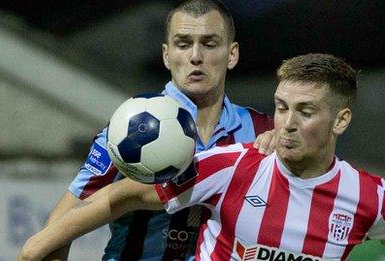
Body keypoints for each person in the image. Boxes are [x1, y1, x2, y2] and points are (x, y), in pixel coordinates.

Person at [19, 53, 385, 261]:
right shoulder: (233, 165)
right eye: (282, 107)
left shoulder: (370, 197)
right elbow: (122, 196)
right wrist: (35, 248)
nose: (287, 122)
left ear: (341, 121)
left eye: (305, 111)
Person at [39, 0, 274, 260]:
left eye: (209, 44)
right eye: (183, 44)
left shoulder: (262, 131)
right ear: (166, 55)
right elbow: (58, 228)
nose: (196, 56)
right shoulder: (131, 126)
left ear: (232, 54)